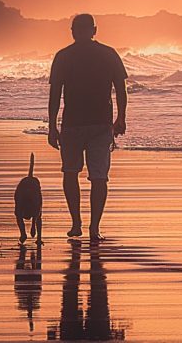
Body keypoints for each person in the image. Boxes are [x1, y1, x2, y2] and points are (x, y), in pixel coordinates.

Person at [47, 13, 127, 240]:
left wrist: (52, 126)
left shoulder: (63, 56)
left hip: (77, 124)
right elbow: (120, 90)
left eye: (78, 29)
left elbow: (55, 95)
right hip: (95, 124)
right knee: (98, 176)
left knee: (72, 173)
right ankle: (92, 228)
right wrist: (121, 117)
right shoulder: (108, 54)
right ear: (94, 30)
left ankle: (78, 224)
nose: (79, 33)